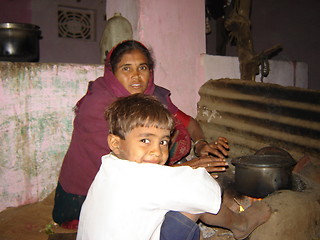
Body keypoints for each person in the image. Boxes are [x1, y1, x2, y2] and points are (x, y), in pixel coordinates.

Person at [52, 40, 229, 228]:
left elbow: (189, 123)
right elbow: (127, 176)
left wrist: (200, 144)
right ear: (112, 72)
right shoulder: (98, 107)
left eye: (142, 67)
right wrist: (187, 169)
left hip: (138, 175)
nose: (136, 76)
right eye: (126, 69)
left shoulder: (153, 94)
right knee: (190, 193)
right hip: (92, 197)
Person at [76, 94, 271, 240]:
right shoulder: (146, 177)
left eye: (163, 142)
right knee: (196, 198)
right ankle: (242, 224)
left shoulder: (109, 165)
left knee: (184, 196)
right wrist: (197, 175)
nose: (156, 151)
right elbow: (203, 192)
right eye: (145, 140)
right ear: (116, 143)